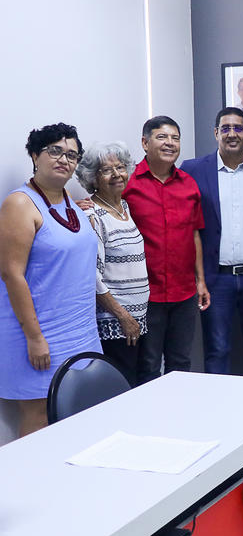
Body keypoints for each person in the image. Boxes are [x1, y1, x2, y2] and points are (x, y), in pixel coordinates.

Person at [0, 123, 100, 437]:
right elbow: (11, 274)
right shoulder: (19, 203)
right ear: (34, 155)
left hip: (79, 329)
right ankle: (33, 484)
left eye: (71, 155)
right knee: (40, 415)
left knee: (76, 410)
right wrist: (34, 338)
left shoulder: (69, 201)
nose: (63, 159)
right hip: (37, 332)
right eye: (54, 151)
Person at [181, 107, 243, 377]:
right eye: (226, 128)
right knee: (217, 349)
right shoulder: (193, 170)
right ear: (216, 133)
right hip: (215, 279)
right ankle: (219, 414)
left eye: (238, 128)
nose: (232, 134)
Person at [124, 116, 210, 385]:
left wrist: (201, 282)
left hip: (183, 292)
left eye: (175, 138)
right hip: (145, 293)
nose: (170, 143)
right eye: (162, 137)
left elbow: (194, 233)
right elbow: (105, 210)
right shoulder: (127, 184)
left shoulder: (188, 184)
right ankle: (150, 423)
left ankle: (179, 419)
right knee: (148, 364)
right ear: (145, 142)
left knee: (181, 362)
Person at [75, 141, 149, 386]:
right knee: (122, 389)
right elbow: (92, 276)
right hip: (116, 323)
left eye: (120, 167)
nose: (117, 174)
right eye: (107, 170)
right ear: (93, 178)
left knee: (138, 385)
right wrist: (122, 316)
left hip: (137, 318)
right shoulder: (92, 215)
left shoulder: (123, 206)